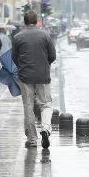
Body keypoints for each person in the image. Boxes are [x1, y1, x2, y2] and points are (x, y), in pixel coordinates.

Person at [12, 10, 57, 149]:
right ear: (36, 21)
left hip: (25, 77)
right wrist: (44, 64)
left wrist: (23, 66)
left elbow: (14, 57)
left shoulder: (18, 37)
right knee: (46, 104)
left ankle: (32, 139)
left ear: (24, 22)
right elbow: (53, 56)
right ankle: (45, 128)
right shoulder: (45, 35)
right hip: (43, 76)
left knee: (28, 107)